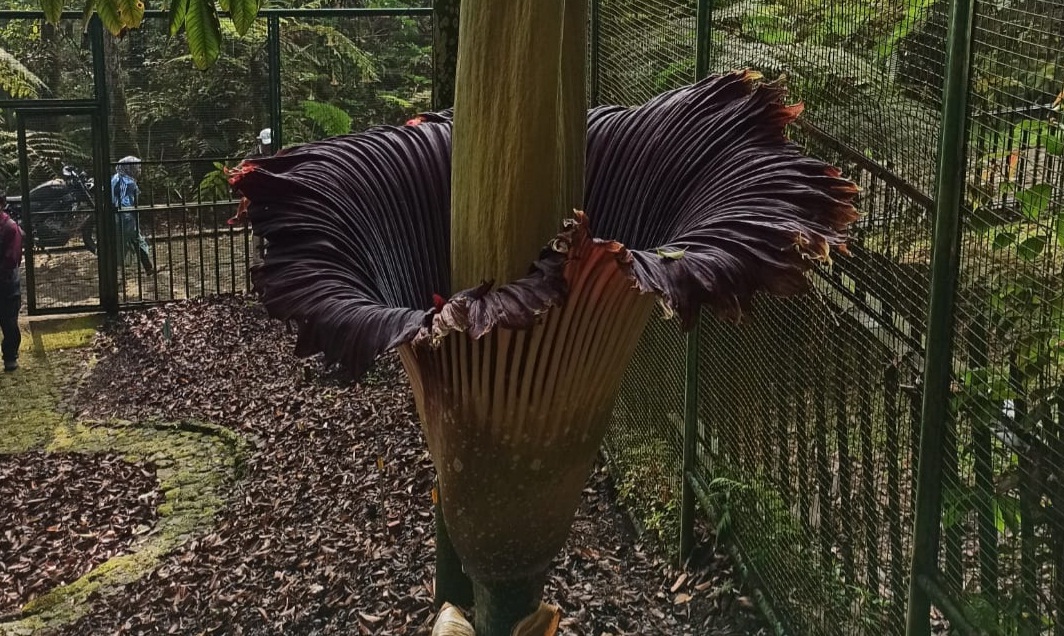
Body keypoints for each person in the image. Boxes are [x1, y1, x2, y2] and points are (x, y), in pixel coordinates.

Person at [111, 156, 155, 276]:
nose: (139, 170)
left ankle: (148, 268)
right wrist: (129, 218)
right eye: (137, 167)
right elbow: (124, 201)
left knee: (136, 241)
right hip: (124, 218)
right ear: (130, 168)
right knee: (130, 243)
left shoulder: (116, 178)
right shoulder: (128, 182)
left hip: (119, 216)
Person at [0, 194, 23, 372]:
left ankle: (10, 356)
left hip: (6, 284)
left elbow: (12, 259)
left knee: (9, 323)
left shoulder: (10, 228)